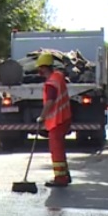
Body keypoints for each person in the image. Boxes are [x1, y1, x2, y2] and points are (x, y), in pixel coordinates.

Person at [35, 52, 72, 187]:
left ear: (44, 67)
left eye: (39, 67)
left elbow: (50, 102)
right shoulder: (58, 77)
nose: (38, 70)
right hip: (64, 117)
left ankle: (60, 178)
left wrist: (42, 117)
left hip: (57, 120)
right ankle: (65, 174)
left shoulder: (51, 83)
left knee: (56, 150)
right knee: (60, 148)